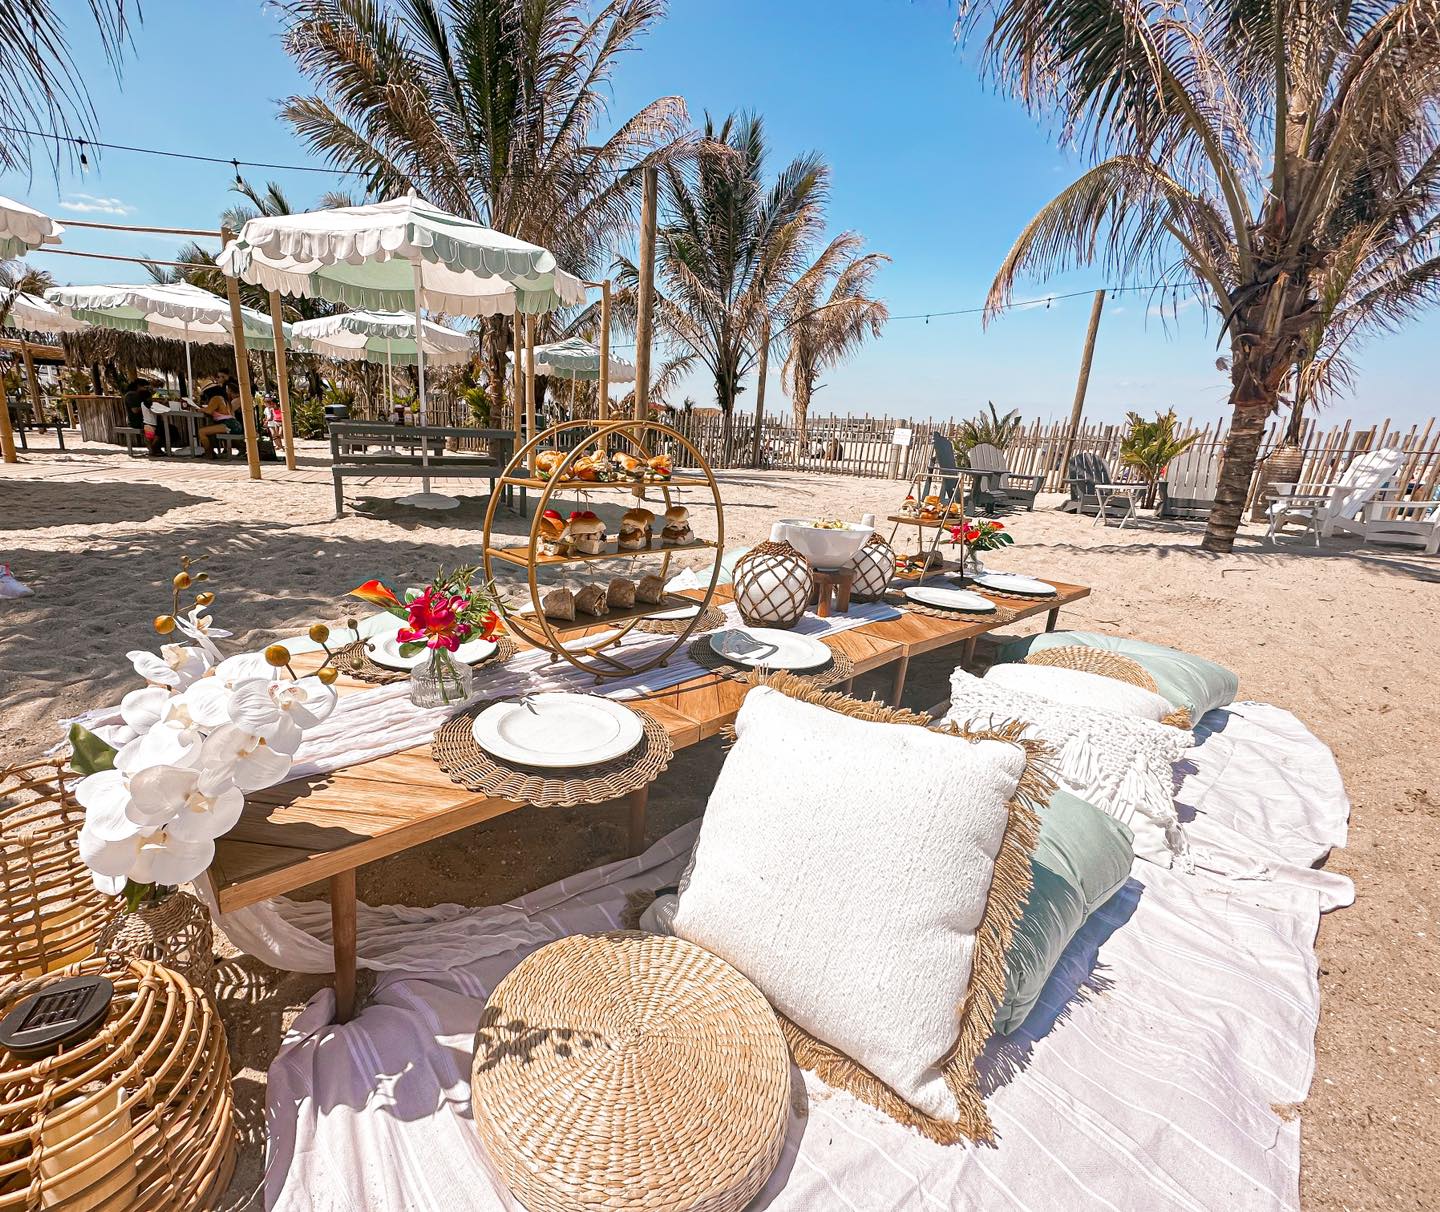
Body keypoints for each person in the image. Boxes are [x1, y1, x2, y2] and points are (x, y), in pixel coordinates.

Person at [197, 378, 242, 457]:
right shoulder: (223, 398)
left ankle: (209, 453)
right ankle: (211, 453)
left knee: (202, 432)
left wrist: (199, 409)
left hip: (227, 424)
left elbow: (209, 410)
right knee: (209, 431)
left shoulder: (216, 398)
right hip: (233, 423)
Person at [121, 378, 162, 456]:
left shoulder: (140, 395)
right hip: (136, 421)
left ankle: (155, 448)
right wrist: (147, 407)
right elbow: (135, 410)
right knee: (156, 429)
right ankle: (153, 448)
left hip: (145, 420)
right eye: (145, 387)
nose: (146, 389)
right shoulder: (131, 395)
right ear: (139, 386)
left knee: (162, 428)